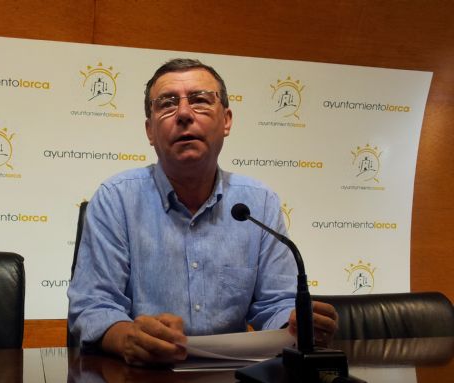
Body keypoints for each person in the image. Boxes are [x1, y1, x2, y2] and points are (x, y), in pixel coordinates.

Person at [67, 58, 338, 365]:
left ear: (226, 120)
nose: (184, 114)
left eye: (200, 100)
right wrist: (127, 336)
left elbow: (275, 303)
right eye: (167, 104)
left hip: (233, 379)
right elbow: (93, 306)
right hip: (143, 379)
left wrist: (296, 323)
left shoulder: (259, 202)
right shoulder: (116, 198)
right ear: (150, 131)